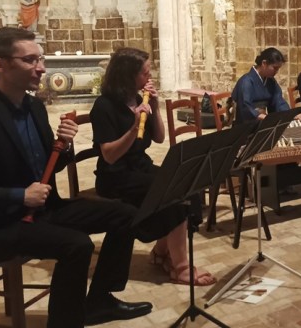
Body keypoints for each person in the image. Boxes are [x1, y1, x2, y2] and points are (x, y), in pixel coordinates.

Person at [0, 27, 152, 327]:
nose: (41, 68)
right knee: (77, 245)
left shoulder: (35, 107)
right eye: (30, 60)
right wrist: (20, 196)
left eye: (41, 59)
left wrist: (64, 146)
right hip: (3, 222)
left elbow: (51, 166)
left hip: (46, 209)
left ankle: (99, 301)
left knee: (127, 215)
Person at [90, 48, 216, 286]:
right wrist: (133, 126)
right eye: (145, 73)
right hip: (116, 176)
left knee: (185, 185)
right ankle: (181, 267)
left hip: (140, 167)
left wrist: (155, 107)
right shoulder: (104, 106)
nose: (149, 77)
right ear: (127, 75)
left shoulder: (138, 100)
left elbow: (158, 138)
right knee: (173, 196)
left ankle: (161, 252)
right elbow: (109, 156)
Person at [232, 47, 292, 124]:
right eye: (275, 68)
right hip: (246, 125)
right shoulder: (246, 81)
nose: (276, 72)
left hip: (262, 121)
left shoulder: (270, 81)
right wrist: (265, 117)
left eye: (278, 69)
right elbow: (245, 107)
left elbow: (278, 100)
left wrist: (289, 115)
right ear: (264, 63)